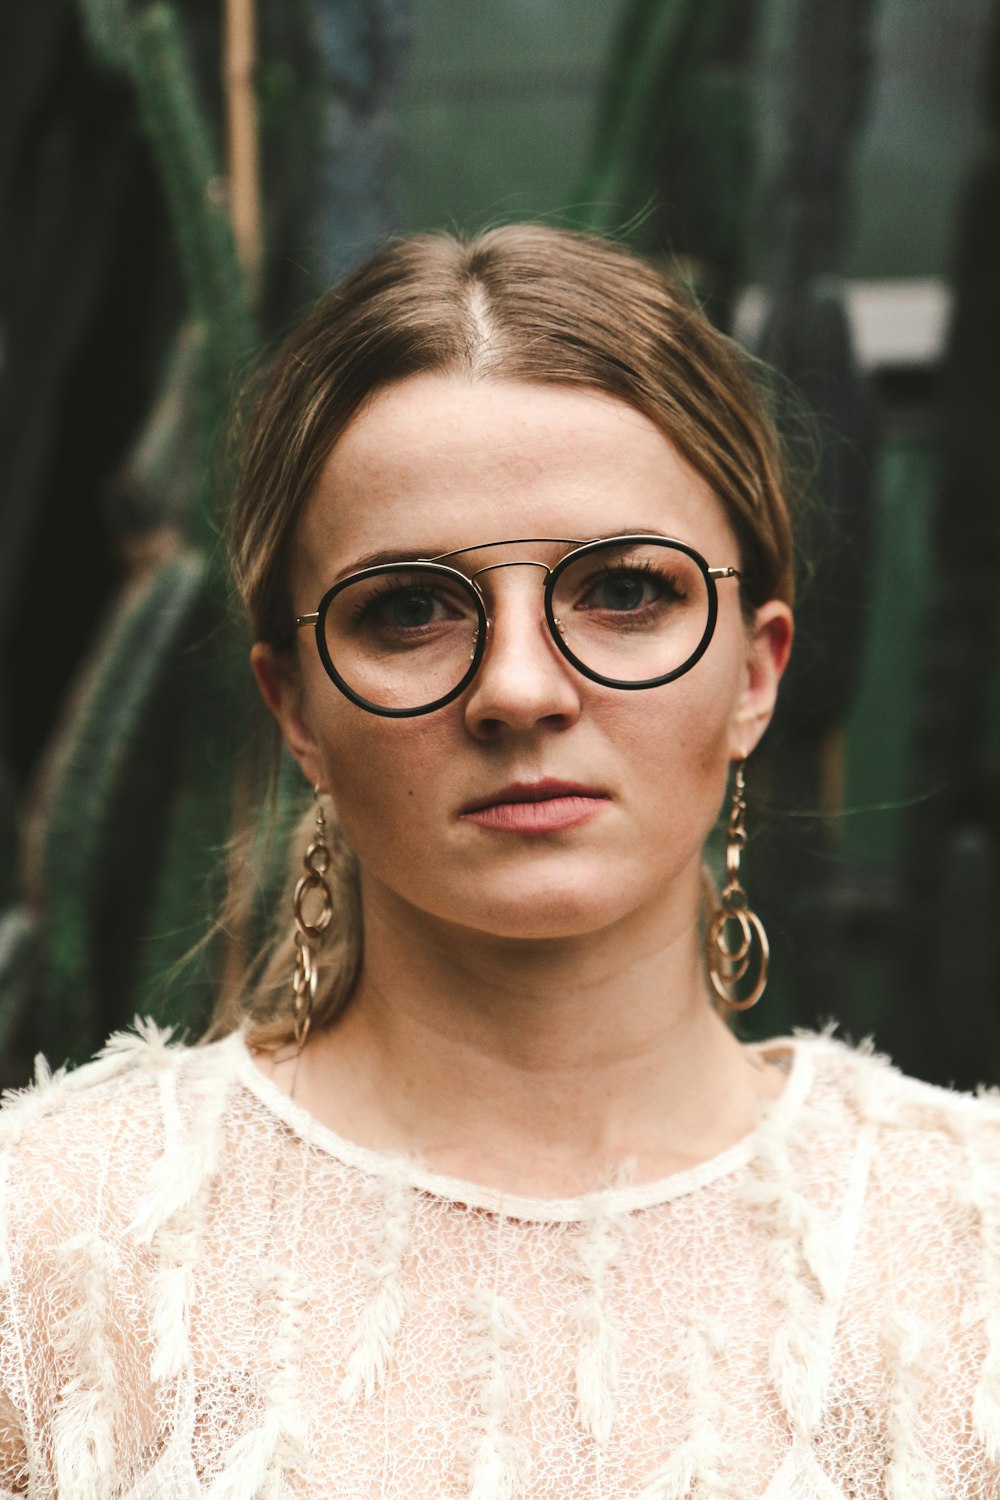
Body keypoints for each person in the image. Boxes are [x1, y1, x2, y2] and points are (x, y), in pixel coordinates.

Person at [1, 225, 998, 1500]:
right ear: (295, 706)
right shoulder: (47, 1250)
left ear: (755, 673)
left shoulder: (968, 1249)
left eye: (626, 593)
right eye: (409, 609)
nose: (520, 690)